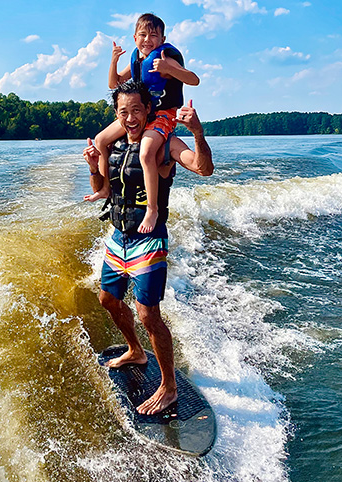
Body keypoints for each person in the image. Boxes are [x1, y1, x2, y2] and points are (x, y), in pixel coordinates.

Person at [83, 80, 213, 415]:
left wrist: (197, 131)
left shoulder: (165, 144)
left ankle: (169, 387)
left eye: (137, 110)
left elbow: (203, 168)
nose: (130, 118)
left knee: (147, 314)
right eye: (123, 111)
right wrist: (91, 167)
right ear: (116, 113)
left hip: (149, 240)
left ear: (148, 110)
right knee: (108, 300)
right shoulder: (113, 147)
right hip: (118, 238)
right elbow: (102, 188)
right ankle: (136, 351)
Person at [84, 13, 200, 236]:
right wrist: (114, 60)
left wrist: (169, 68)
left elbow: (194, 80)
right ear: (135, 38)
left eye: (153, 36)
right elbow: (114, 83)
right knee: (100, 140)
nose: (148, 40)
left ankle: (152, 209)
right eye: (143, 35)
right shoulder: (138, 59)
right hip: (139, 114)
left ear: (162, 38)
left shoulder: (165, 57)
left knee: (146, 153)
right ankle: (106, 188)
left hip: (162, 114)